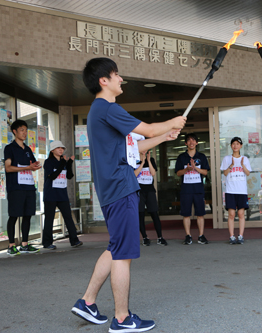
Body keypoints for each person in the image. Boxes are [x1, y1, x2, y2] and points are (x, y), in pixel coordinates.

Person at [70, 57, 185, 332]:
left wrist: (166, 136)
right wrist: (172, 121)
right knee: (123, 252)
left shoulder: (101, 112)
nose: (122, 79)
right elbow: (146, 128)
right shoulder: (107, 108)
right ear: (104, 81)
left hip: (115, 188)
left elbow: (139, 144)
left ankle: (87, 302)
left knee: (115, 247)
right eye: (117, 75)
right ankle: (122, 319)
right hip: (121, 188)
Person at [4, 119, 41, 256]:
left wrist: (35, 166)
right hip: (16, 187)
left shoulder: (28, 149)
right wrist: (28, 167)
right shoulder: (9, 148)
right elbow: (8, 168)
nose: (25, 133)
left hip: (29, 186)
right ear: (14, 131)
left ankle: (25, 244)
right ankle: (11, 245)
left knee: (27, 215)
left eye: (26, 130)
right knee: (13, 215)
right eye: (22, 130)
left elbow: (32, 165)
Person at [42, 140, 83, 250]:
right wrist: (62, 164)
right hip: (50, 194)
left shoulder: (63, 162)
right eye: (58, 148)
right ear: (52, 150)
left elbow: (69, 176)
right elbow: (52, 176)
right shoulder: (48, 162)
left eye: (62, 148)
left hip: (62, 194)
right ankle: (47, 242)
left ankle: (74, 240)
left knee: (68, 217)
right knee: (49, 218)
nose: (61, 150)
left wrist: (69, 163)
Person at [175, 133, 210, 245]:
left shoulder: (202, 157)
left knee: (200, 213)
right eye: (189, 140)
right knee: (186, 214)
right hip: (186, 190)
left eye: (193, 140)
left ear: (196, 143)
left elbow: (205, 172)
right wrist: (187, 169)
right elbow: (178, 173)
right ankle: (188, 236)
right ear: (186, 143)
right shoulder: (181, 157)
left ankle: (201, 235)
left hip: (198, 189)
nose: (191, 142)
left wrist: (195, 168)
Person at [220, 137, 252, 245]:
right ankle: (232, 236)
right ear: (231, 146)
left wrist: (242, 165)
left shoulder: (245, 159)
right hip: (230, 190)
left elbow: (248, 173)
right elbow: (224, 173)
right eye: (233, 144)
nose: (235, 146)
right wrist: (231, 165)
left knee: (241, 213)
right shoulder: (226, 158)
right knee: (231, 214)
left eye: (237, 144)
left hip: (241, 190)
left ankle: (241, 235)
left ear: (241, 146)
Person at [135, 150, 167, 246]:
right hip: (139, 191)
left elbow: (153, 173)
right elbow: (134, 175)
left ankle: (160, 237)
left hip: (150, 190)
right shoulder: (134, 161)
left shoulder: (151, 160)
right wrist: (142, 163)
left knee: (154, 214)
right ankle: (145, 237)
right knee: (140, 215)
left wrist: (148, 161)